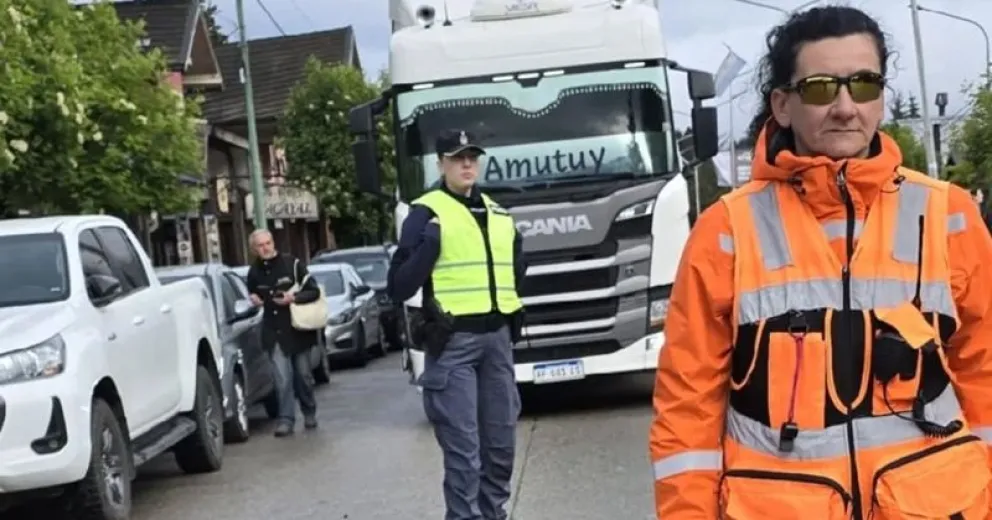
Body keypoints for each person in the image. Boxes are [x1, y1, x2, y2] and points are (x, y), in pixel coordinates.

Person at [649, 6, 992, 519]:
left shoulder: (949, 216)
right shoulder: (726, 231)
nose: (845, 107)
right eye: (820, 88)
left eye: (864, 84)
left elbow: (984, 369)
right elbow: (687, 409)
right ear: (782, 105)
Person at [388, 129, 527, 520]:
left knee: (500, 449)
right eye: (456, 158)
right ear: (441, 164)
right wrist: (428, 248)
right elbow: (398, 286)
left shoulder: (500, 214)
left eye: (472, 157)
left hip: (497, 342)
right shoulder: (425, 213)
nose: (466, 164)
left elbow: (515, 272)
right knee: (465, 457)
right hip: (454, 346)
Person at [245, 229, 322, 437]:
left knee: (303, 375)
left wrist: (293, 297)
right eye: (260, 245)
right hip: (273, 331)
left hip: (298, 329)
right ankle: (286, 419)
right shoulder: (253, 273)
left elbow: (314, 291)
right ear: (254, 249)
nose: (266, 247)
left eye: (268, 242)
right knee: (282, 378)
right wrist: (256, 301)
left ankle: (309, 411)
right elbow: (253, 295)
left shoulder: (292, 264)